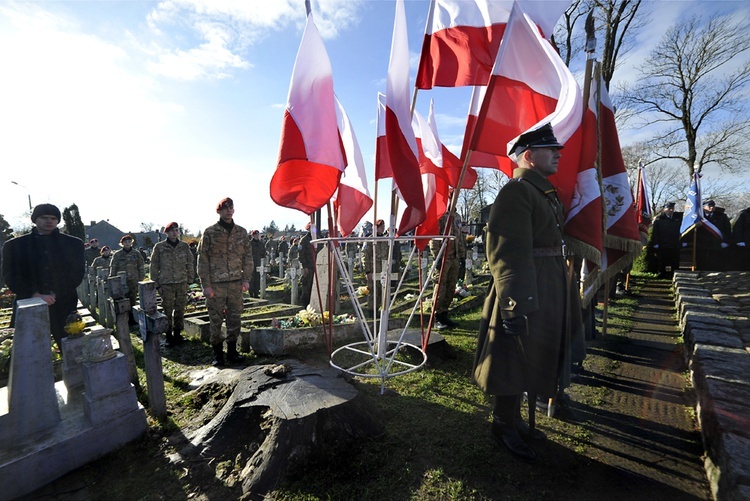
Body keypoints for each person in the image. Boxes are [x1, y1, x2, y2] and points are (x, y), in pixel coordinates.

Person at [473, 123, 571, 461]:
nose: (558, 153)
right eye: (550, 149)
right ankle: (503, 423)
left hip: (545, 284)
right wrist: (514, 303)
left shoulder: (542, 192)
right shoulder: (517, 191)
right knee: (511, 358)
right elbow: (506, 251)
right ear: (529, 156)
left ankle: (513, 417)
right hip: (523, 288)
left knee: (533, 355)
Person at [2, 204, 85, 353]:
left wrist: (55, 293)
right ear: (34, 219)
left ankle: (77, 376)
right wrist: (35, 294)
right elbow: (11, 276)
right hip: (28, 304)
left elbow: (76, 273)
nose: (49, 221)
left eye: (53, 218)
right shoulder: (15, 246)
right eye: (44, 217)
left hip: (63, 304)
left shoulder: (73, 244)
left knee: (73, 350)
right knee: (28, 352)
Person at [197, 197, 253, 366]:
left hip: (236, 283)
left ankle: (232, 352)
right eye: (225, 208)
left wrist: (246, 279)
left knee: (235, 318)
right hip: (216, 285)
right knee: (215, 320)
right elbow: (202, 259)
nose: (228, 210)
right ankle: (217, 354)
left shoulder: (241, 233)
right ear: (219, 211)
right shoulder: (210, 232)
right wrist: (205, 285)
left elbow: (247, 257)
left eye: (231, 208)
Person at [150, 222, 194, 347]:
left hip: (181, 282)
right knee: (167, 309)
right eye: (172, 230)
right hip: (166, 283)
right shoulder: (159, 247)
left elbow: (190, 263)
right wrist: (157, 285)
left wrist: (189, 281)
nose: (175, 232)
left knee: (180, 309)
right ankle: (168, 335)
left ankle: (178, 334)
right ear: (167, 232)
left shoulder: (184, 246)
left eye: (176, 230)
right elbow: (154, 266)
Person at [430, 212, 465, 330]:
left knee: (451, 287)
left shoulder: (457, 216)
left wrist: (462, 255)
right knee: (440, 287)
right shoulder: (440, 214)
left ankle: (444, 314)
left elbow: (459, 237)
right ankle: (436, 317)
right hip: (443, 256)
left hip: (454, 257)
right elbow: (434, 237)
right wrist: (437, 257)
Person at [110, 234, 145, 326]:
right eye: (125, 242)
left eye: (129, 241)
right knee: (122, 299)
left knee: (132, 298)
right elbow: (113, 267)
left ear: (131, 243)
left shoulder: (136, 253)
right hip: (121, 281)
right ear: (122, 243)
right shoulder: (117, 254)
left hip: (133, 280)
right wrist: (112, 279)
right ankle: (123, 318)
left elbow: (141, 266)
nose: (127, 243)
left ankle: (132, 318)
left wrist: (141, 278)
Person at [695, 199, 731, 270]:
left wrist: (726, 241)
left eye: (713, 206)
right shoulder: (698, 216)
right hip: (702, 243)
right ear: (704, 207)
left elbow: (727, 230)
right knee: (701, 261)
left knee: (715, 261)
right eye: (709, 206)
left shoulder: (721, 216)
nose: (712, 208)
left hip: (716, 242)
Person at [650, 202, 683, 278]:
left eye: (672, 209)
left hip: (674, 243)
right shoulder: (659, 219)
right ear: (664, 209)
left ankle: (673, 274)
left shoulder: (677, 218)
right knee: (662, 260)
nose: (671, 210)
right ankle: (661, 273)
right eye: (669, 208)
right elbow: (655, 232)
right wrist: (655, 242)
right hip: (663, 243)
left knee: (674, 260)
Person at [362, 220, 388, 311]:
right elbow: (365, 256)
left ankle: (379, 309)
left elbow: (387, 254)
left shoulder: (385, 240)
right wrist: (367, 271)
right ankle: (371, 310)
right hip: (373, 270)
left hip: (383, 270)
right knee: (373, 292)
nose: (383, 228)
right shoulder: (369, 240)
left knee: (381, 292)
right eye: (381, 226)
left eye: (384, 226)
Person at [299, 222, 316, 307]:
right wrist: (304, 267)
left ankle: (313, 304)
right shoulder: (304, 240)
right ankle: (305, 305)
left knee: (315, 287)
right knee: (307, 287)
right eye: (312, 229)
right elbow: (301, 255)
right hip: (308, 267)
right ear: (308, 229)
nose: (314, 230)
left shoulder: (318, 239)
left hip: (316, 267)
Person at [249, 230, 265, 298]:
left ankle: (256, 292)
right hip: (251, 263)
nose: (257, 236)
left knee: (257, 278)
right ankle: (251, 293)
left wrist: (263, 262)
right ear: (253, 235)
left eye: (258, 235)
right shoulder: (249, 243)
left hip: (259, 263)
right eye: (255, 235)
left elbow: (263, 253)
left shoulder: (261, 244)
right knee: (251, 279)